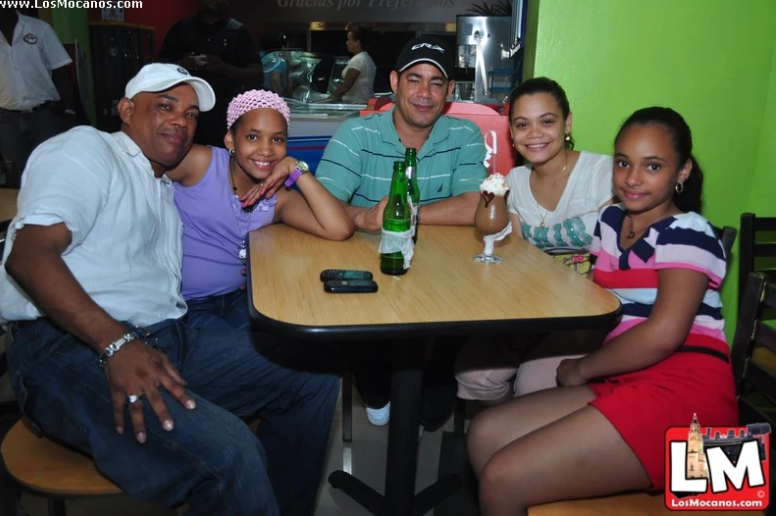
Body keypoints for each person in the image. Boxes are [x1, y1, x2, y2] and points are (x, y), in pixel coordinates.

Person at [0, 63, 338, 516]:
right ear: (125, 109)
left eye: (192, 113)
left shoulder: (162, 183)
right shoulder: (87, 149)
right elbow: (28, 255)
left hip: (166, 337)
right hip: (70, 347)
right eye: (165, 106)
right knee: (233, 453)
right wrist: (116, 343)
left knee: (314, 377)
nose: (182, 119)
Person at [466, 107, 738, 516]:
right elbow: (599, 300)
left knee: (502, 478)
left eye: (654, 166)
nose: (632, 178)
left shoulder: (689, 231)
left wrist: (582, 368)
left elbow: (663, 334)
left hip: (683, 393)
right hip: (626, 378)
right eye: (624, 163)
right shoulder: (612, 221)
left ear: (682, 172)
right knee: (484, 433)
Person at [315, 36, 487, 428]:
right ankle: (374, 385)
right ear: (394, 82)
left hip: (444, 282)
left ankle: (435, 376)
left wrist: (399, 214)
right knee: (341, 303)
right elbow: (318, 205)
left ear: (450, 91)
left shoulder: (464, 136)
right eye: (414, 79)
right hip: (368, 279)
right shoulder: (357, 134)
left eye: (436, 82)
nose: (425, 93)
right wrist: (362, 218)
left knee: (472, 305)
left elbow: (476, 205)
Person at [455, 77, 614, 404]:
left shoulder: (603, 173)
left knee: (535, 385)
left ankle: (533, 439)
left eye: (547, 122)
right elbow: (511, 252)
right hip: (531, 307)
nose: (535, 134)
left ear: (567, 123)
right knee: (473, 375)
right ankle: (505, 434)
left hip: (588, 313)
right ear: (511, 133)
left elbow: (620, 258)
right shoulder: (514, 180)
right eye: (522, 125)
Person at [169, 89, 354, 330]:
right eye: (253, 137)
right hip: (186, 308)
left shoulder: (279, 196)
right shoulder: (201, 163)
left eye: (277, 139)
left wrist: (295, 168)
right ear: (230, 140)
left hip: (243, 301)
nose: (266, 150)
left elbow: (339, 228)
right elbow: (142, 168)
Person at [159, 0, 263, 147]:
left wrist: (224, 68)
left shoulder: (238, 31)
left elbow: (257, 73)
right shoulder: (181, 28)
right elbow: (159, 67)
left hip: (227, 114)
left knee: (226, 161)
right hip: (185, 112)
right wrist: (181, 64)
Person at [0, 7, 76, 188]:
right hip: (5, 118)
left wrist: (69, 109)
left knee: (49, 171)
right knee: (17, 177)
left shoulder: (39, 29)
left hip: (43, 114)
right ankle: (22, 215)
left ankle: (54, 214)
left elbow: (61, 71)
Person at [324, 24, 375, 105]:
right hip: (365, 103)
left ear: (357, 42)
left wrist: (327, 100)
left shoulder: (358, 60)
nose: (346, 42)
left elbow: (345, 87)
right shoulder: (366, 57)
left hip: (357, 105)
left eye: (349, 40)